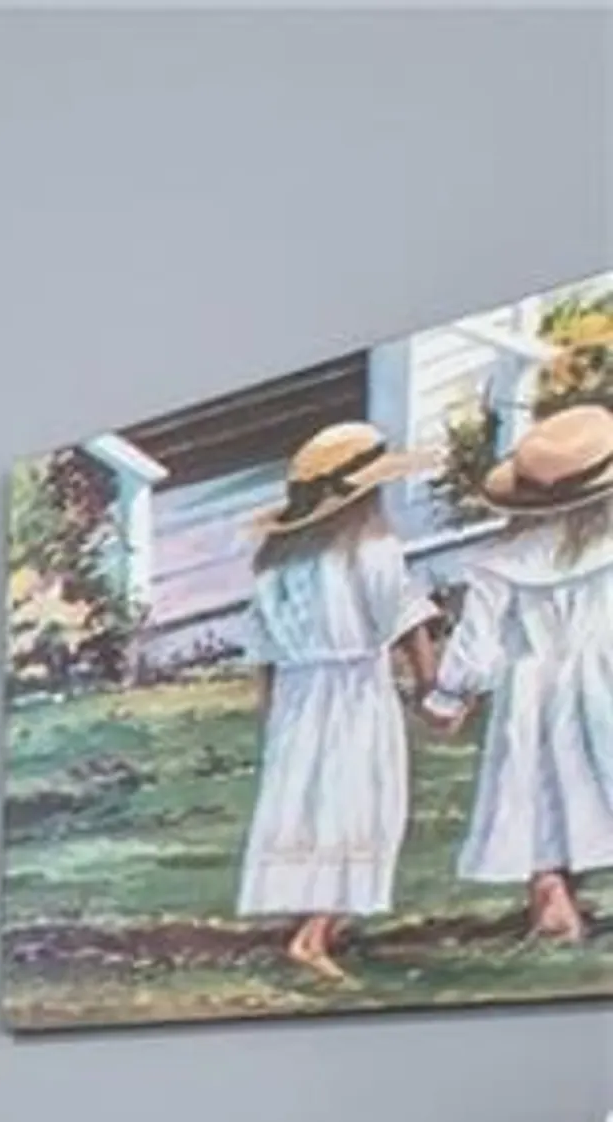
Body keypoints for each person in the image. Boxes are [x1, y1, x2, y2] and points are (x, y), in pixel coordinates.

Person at [234, 423, 439, 985]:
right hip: (354, 692)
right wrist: (431, 689)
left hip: (300, 697)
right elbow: (405, 621)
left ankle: (315, 920)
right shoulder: (373, 550)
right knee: (359, 807)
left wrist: (271, 711)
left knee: (307, 806)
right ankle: (315, 933)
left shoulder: (276, 565)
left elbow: (265, 651)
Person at [427, 403, 613, 944]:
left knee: (543, 791)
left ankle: (551, 895)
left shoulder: (499, 561)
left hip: (533, 684)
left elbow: (478, 646)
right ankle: (557, 902)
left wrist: (449, 697)